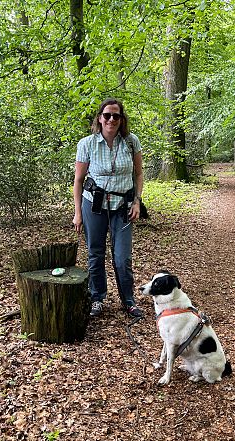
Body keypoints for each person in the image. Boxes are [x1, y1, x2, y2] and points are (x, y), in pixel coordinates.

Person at [73, 98, 144, 318]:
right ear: (99, 118)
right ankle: (97, 298)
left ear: (122, 119)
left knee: (122, 257)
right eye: (107, 115)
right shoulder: (87, 144)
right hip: (93, 205)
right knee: (95, 253)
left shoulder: (131, 142)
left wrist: (137, 201)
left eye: (116, 115)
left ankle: (128, 300)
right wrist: (77, 213)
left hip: (122, 206)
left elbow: (139, 174)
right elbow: (78, 180)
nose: (111, 119)